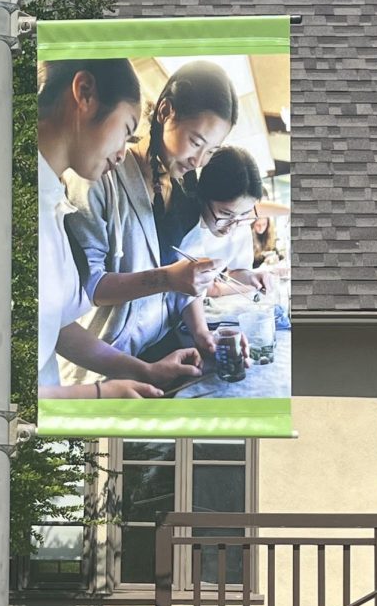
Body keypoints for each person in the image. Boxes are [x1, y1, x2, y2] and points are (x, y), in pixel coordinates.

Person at [36, 59, 203, 398]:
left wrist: (145, 370)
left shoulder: (51, 201)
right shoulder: (17, 202)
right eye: (126, 129)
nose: (122, 151)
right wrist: (99, 394)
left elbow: (56, 324)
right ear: (84, 93)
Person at [65, 60, 240, 361]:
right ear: (165, 112)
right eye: (195, 141)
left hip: (164, 345)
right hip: (108, 357)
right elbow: (90, 286)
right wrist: (168, 278)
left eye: (211, 150)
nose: (198, 160)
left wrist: (202, 336)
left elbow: (189, 279)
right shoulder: (99, 173)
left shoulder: (186, 191)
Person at [177, 147, 268, 357]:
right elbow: (191, 288)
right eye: (225, 214)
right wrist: (201, 332)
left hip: (205, 321)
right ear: (203, 197)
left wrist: (253, 277)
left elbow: (236, 271)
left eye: (243, 215)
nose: (232, 226)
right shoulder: (186, 227)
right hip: (180, 322)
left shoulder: (239, 223)